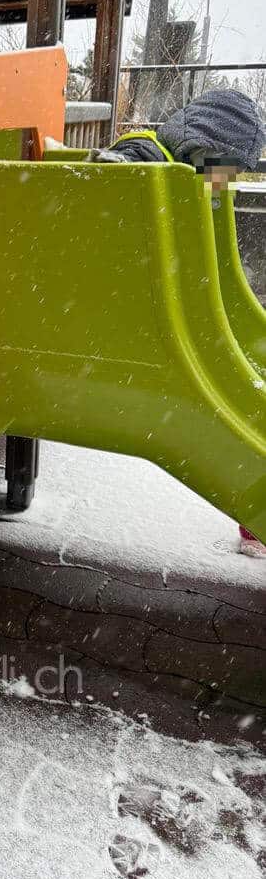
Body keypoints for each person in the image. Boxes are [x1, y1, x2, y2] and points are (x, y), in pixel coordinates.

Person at [89, 87, 266, 559]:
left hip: (147, 310)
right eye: (226, 165)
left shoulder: (186, 172)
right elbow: (106, 175)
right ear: (205, 140)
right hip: (129, 318)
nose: (226, 179)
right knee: (223, 415)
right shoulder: (148, 151)